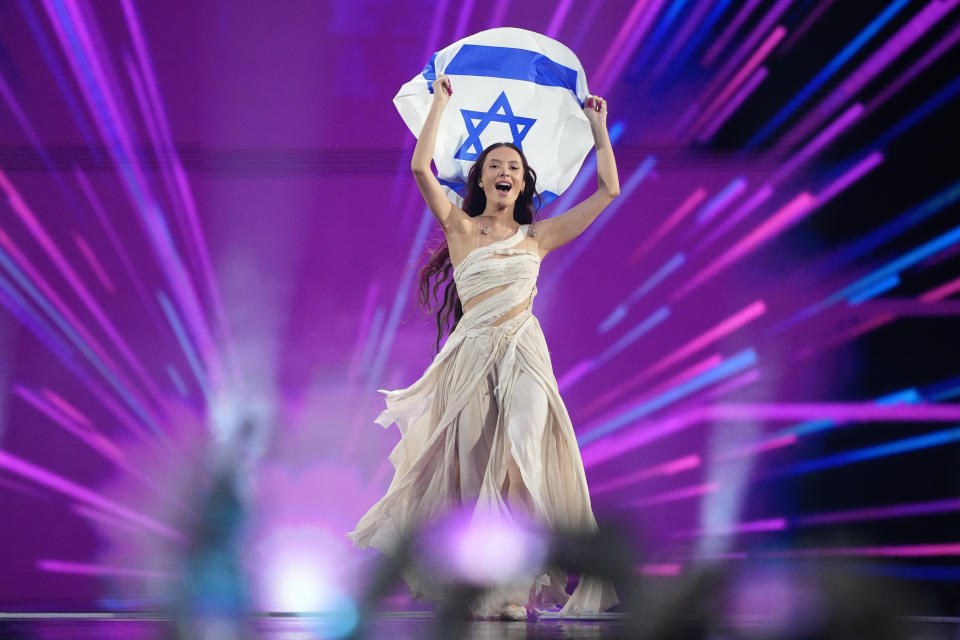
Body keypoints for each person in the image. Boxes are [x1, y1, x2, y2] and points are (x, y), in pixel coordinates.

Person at [348, 73, 621, 620]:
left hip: (523, 351)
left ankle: (515, 588)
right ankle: (478, 583)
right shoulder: (461, 228)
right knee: (475, 475)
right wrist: (439, 108)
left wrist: (598, 128)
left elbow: (609, 191)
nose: (503, 172)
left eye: (513, 167)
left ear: (524, 184)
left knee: (521, 457)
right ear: (481, 177)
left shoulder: (537, 238)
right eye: (495, 165)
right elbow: (420, 168)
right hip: (470, 357)